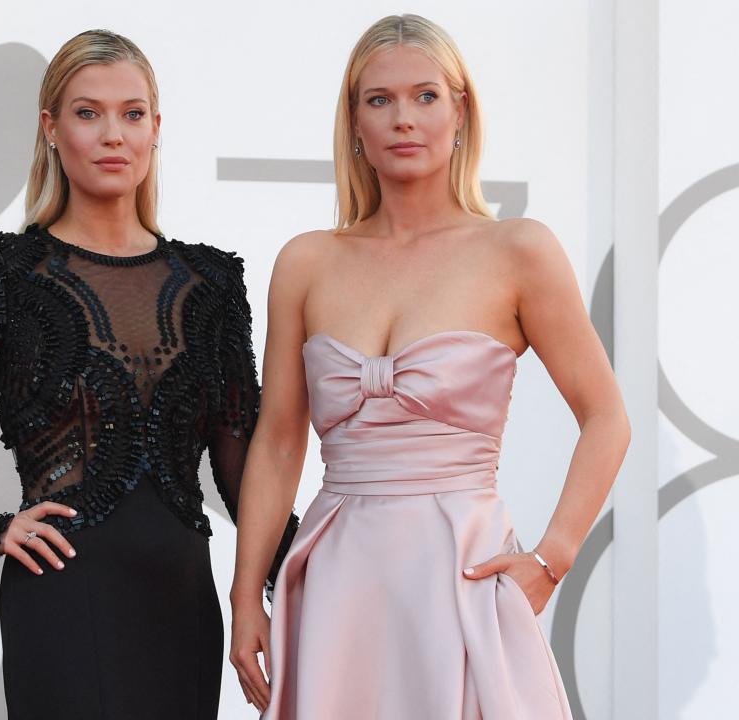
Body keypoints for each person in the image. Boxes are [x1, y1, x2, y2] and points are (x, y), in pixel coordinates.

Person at [0, 29, 299, 719]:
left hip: (182, 604)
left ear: (156, 128)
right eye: (88, 112)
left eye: (133, 113)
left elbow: (244, 472)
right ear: (52, 129)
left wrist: (311, 574)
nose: (113, 134)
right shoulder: (4, 274)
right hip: (62, 596)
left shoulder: (210, 283)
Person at [228, 14, 629, 719]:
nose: (403, 119)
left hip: (459, 577)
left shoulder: (518, 250)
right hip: (336, 581)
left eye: (425, 97)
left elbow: (607, 417)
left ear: (460, 111)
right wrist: (245, 597)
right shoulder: (306, 261)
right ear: (353, 122)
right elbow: (281, 440)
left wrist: (551, 558)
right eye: (378, 100)